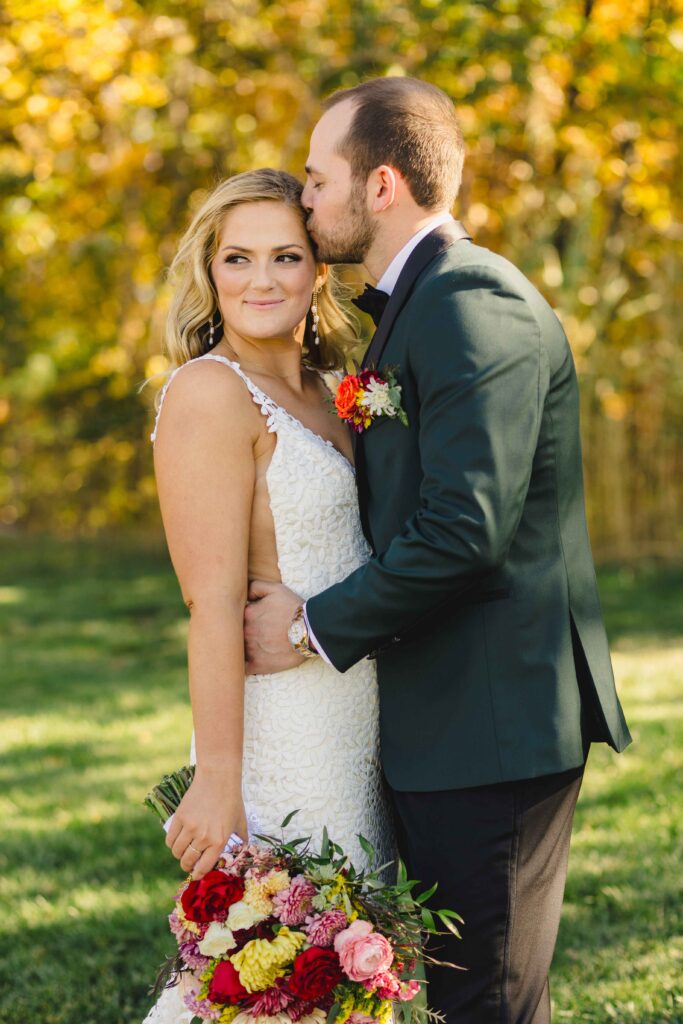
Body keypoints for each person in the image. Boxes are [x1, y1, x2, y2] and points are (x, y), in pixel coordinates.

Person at [243, 77, 632, 1024]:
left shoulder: (469, 301)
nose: (304, 199)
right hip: (446, 722)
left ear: (380, 185)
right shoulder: (414, 306)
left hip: (492, 721)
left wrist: (313, 627)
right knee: (459, 996)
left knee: (485, 1004)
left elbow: (465, 528)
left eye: (316, 178)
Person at [142, 168, 394, 1024]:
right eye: (237, 258)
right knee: (272, 980)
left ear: (318, 269)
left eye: (285, 256)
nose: (261, 280)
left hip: (358, 716)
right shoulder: (210, 393)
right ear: (210, 271)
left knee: (348, 976)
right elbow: (210, 604)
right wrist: (217, 780)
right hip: (281, 735)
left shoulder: (335, 393)